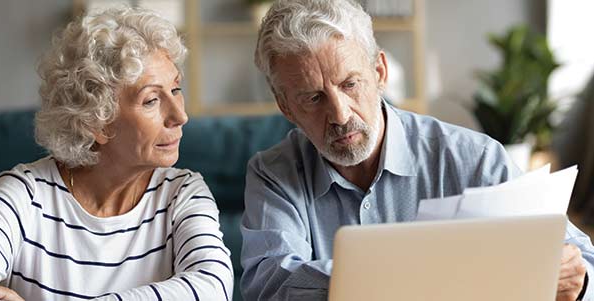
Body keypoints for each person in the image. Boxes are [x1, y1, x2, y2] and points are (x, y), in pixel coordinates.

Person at [240, 0, 593, 300]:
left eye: (350, 84)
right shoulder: (272, 173)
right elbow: (269, 284)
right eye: (313, 98)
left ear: (379, 72)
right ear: (286, 106)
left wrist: (577, 281)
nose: (340, 114)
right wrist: (424, 277)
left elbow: (583, 261)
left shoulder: (474, 158)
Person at [0, 7, 233, 301]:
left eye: (176, 89)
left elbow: (212, 287)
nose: (180, 115)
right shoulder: (26, 192)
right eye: (151, 100)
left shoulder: (183, 193)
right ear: (96, 121)